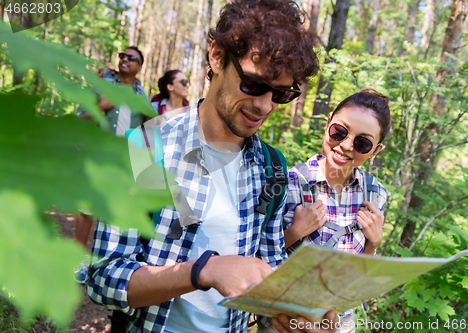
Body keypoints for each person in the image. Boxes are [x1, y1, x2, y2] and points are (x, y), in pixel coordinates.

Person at [86, 1, 340, 332]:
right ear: (217, 56)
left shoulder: (272, 168)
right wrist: (201, 272)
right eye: (253, 84)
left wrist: (293, 314)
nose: (264, 105)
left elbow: (267, 270)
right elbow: (105, 278)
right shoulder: (147, 147)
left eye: (280, 94)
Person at [278, 89, 391, 332]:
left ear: (376, 151)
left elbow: (359, 274)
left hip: (341, 322)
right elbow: (261, 259)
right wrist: (295, 232)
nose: (346, 145)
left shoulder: (375, 193)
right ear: (327, 123)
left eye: (362, 143)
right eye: (339, 131)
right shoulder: (287, 183)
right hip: (285, 319)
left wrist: (374, 243)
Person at [73, 46, 150, 283]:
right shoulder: (101, 86)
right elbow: (78, 117)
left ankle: (98, 264)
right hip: (97, 156)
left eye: (131, 58)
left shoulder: (141, 95)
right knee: (87, 209)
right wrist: (101, 107)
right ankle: (76, 260)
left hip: (123, 162)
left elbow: (148, 130)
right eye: (122, 56)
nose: (124, 60)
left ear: (139, 66)